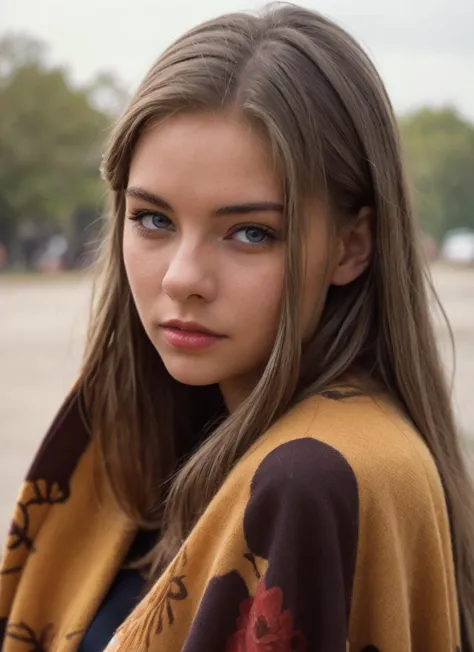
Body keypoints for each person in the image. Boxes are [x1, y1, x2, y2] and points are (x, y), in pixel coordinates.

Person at [1, 4, 473, 651]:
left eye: (251, 233)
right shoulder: (129, 428)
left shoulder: (312, 479)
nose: (182, 278)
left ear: (350, 245)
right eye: (154, 220)